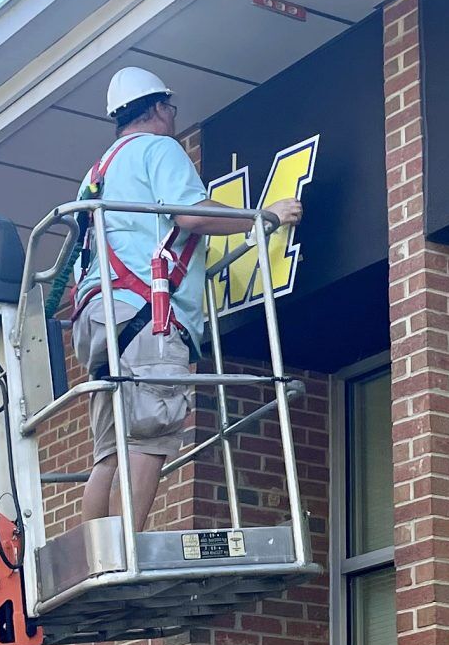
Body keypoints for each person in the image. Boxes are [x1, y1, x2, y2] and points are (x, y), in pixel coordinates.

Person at [72, 67, 300, 529]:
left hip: (100, 317)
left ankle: (92, 556)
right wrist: (263, 217)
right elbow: (191, 215)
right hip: (146, 314)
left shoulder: (96, 173)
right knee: (150, 434)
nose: (174, 116)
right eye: (171, 107)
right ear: (158, 107)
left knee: (111, 449)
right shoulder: (159, 149)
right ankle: (125, 554)